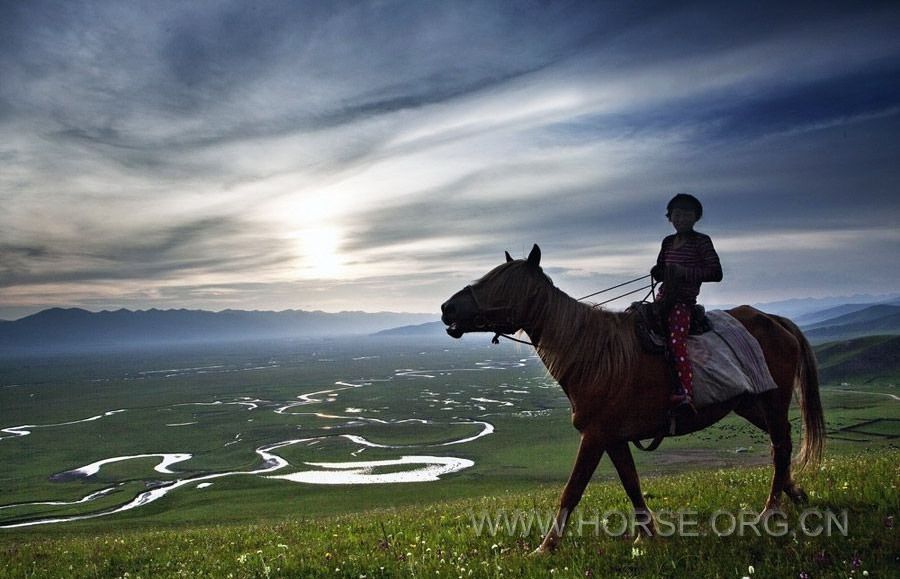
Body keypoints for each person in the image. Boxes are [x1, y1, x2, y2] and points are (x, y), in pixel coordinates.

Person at [651, 193, 722, 414]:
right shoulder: (668, 242)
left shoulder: (702, 241)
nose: (681, 219)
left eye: (687, 215)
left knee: (676, 340)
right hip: (663, 299)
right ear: (670, 217)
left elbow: (716, 273)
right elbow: (661, 269)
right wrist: (658, 272)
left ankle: (686, 392)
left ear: (695, 218)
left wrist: (684, 272)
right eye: (677, 215)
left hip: (684, 302)